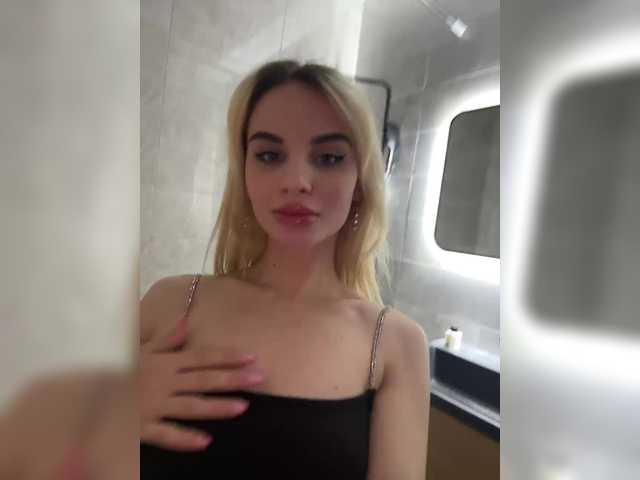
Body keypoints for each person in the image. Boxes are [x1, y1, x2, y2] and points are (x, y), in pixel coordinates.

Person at [139, 60, 430, 479]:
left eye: (329, 157)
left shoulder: (393, 345)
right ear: (245, 174)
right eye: (269, 155)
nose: (296, 181)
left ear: (360, 182)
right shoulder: (170, 303)